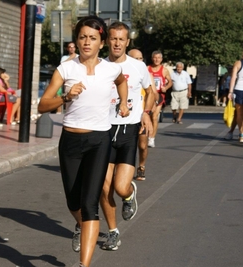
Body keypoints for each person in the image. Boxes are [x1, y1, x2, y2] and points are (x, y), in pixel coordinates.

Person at [38, 15, 129, 267]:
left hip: (99, 141)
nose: (87, 42)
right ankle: (79, 224)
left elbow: (122, 82)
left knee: (90, 204)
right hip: (70, 141)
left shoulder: (111, 69)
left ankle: (83, 264)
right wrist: (66, 97)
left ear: (102, 42)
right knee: (73, 201)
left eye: (92, 38)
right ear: (76, 41)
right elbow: (43, 104)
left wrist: (123, 102)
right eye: (82, 37)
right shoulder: (66, 69)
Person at [99, 22, 154, 251]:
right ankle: (113, 232)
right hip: (103, 129)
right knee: (104, 187)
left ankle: (129, 195)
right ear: (107, 41)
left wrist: (146, 113)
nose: (117, 43)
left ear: (127, 42)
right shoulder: (100, 66)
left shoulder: (138, 66)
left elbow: (150, 92)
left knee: (120, 188)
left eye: (121, 39)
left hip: (129, 130)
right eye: (113, 39)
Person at [128, 49, 159, 181]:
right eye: (136, 59)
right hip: (125, 116)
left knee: (142, 145)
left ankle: (141, 166)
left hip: (141, 115)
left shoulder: (146, 74)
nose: (140, 61)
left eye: (141, 58)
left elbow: (154, 94)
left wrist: (149, 107)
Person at [147, 51, 173, 147]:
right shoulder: (147, 69)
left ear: (161, 59)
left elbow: (170, 82)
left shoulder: (164, 70)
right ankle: (147, 135)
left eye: (159, 58)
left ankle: (152, 138)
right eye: (155, 57)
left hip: (159, 95)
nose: (157, 59)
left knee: (154, 116)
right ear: (152, 58)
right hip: (149, 95)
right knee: (148, 116)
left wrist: (165, 88)